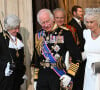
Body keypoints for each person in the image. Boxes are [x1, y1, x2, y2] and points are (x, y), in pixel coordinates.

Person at [32, 8, 82, 90]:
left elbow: (77, 57)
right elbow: (37, 59)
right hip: (42, 77)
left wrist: (70, 75)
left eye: (47, 21)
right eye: (42, 23)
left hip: (58, 75)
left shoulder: (65, 33)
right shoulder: (39, 35)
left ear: (53, 19)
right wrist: (36, 79)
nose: (46, 25)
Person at [0, 15, 26, 90]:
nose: (17, 30)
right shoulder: (1, 38)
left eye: (18, 28)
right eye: (15, 28)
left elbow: (21, 55)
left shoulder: (19, 36)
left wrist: (22, 70)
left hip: (17, 77)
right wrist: (5, 66)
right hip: (5, 78)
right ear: (8, 28)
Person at [68, 5, 86, 90]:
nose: (82, 13)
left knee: (82, 78)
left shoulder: (83, 24)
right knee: (75, 78)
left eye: (82, 11)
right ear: (74, 13)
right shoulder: (71, 25)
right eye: (80, 11)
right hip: (75, 57)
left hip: (84, 56)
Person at [83, 8, 100, 90]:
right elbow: (87, 53)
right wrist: (75, 57)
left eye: (91, 22)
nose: (89, 25)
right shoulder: (86, 33)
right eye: (87, 22)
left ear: (98, 21)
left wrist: (97, 67)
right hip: (89, 70)